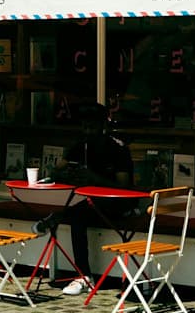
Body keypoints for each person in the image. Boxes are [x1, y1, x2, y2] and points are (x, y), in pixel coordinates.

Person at [39, 103, 135, 295]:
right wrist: (65, 169)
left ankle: (83, 275)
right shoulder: (81, 145)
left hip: (118, 203)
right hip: (93, 202)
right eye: (85, 127)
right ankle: (83, 273)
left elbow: (124, 188)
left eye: (92, 127)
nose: (88, 131)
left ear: (102, 126)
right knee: (79, 213)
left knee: (77, 215)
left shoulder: (117, 149)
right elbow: (55, 170)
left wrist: (94, 178)